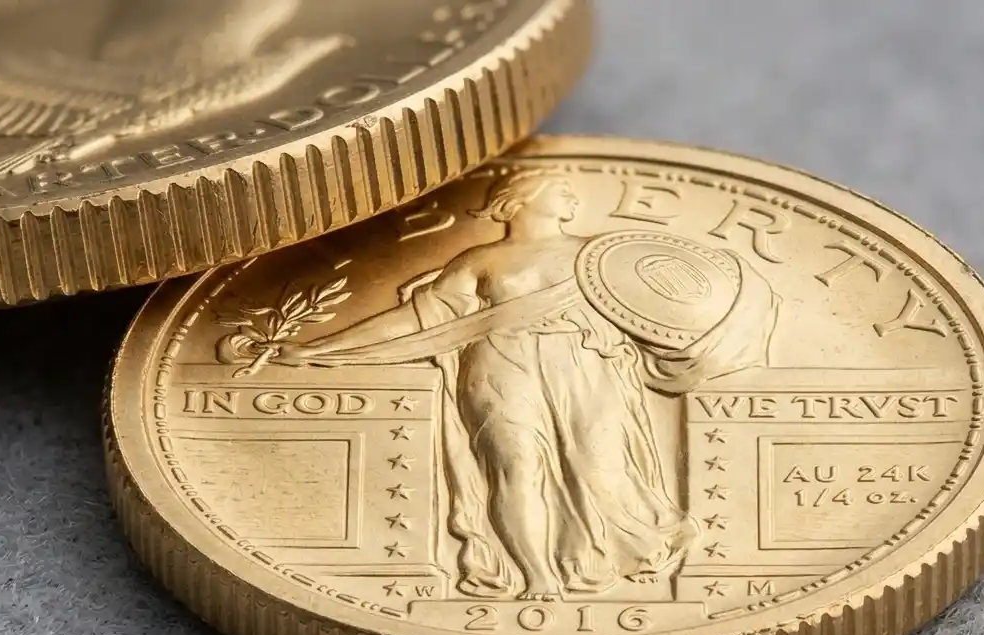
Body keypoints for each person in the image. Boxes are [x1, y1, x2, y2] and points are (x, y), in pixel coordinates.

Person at [234, 167, 779, 599]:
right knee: (515, 470)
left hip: (586, 367)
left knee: (604, 469)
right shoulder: (479, 260)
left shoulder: (602, 255)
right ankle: (537, 577)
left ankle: (603, 554)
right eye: (561, 191)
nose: (570, 200)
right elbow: (416, 321)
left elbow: (663, 302)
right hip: (499, 365)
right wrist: (318, 348)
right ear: (524, 195)